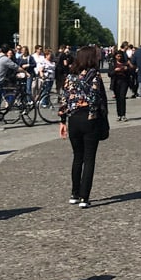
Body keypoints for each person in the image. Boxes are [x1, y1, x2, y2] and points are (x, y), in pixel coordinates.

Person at [58, 46, 108, 208]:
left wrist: (62, 120)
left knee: (77, 156)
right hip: (90, 119)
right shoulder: (95, 75)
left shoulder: (70, 76)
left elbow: (64, 99)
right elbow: (97, 99)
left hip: (74, 119)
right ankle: (84, 197)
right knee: (89, 159)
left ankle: (74, 193)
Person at [108, 49, 136, 122]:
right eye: (118, 56)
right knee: (118, 99)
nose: (119, 58)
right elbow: (109, 74)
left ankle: (123, 115)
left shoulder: (125, 63)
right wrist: (115, 71)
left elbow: (132, 71)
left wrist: (127, 68)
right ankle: (119, 115)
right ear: (115, 56)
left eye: (120, 56)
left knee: (122, 97)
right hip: (116, 82)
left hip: (124, 82)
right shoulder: (112, 63)